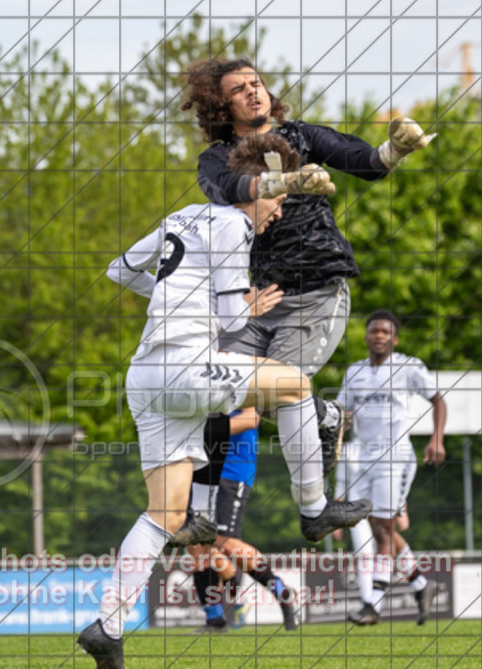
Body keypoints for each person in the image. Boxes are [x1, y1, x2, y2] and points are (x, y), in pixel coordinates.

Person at [78, 134, 372, 668]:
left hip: (145, 375)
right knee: (297, 387)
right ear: (259, 186)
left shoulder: (181, 215)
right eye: (278, 201)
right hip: (189, 366)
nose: (278, 214)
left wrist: (178, 299)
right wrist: (250, 304)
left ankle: (108, 626)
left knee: (164, 514)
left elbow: (118, 270)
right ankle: (314, 508)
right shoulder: (233, 223)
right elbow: (236, 321)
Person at [181, 57, 437, 470]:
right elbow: (224, 189)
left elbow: (363, 162)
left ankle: (322, 454)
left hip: (316, 292)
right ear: (220, 107)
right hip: (263, 297)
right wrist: (282, 182)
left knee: (273, 395)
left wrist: (395, 150)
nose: (252, 91)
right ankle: (322, 417)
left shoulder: (300, 135)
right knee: (211, 384)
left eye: (256, 82)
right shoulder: (216, 158)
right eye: (238, 89)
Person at [334, 310, 447, 626]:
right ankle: (421, 586)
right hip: (364, 460)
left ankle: (373, 605)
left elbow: (438, 400)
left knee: (384, 528)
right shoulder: (354, 372)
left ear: (394, 339)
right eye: (374, 331)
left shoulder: (407, 367)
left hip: (395, 457)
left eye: (385, 332)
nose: (379, 336)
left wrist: (436, 440)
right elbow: (344, 416)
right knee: (377, 526)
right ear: (367, 337)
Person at [187, 408, 298, 634]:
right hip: (202, 470)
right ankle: (215, 618)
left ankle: (282, 592)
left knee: (222, 540)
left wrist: (207, 431)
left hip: (232, 470)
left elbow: (251, 417)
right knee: (196, 540)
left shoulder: (243, 375)